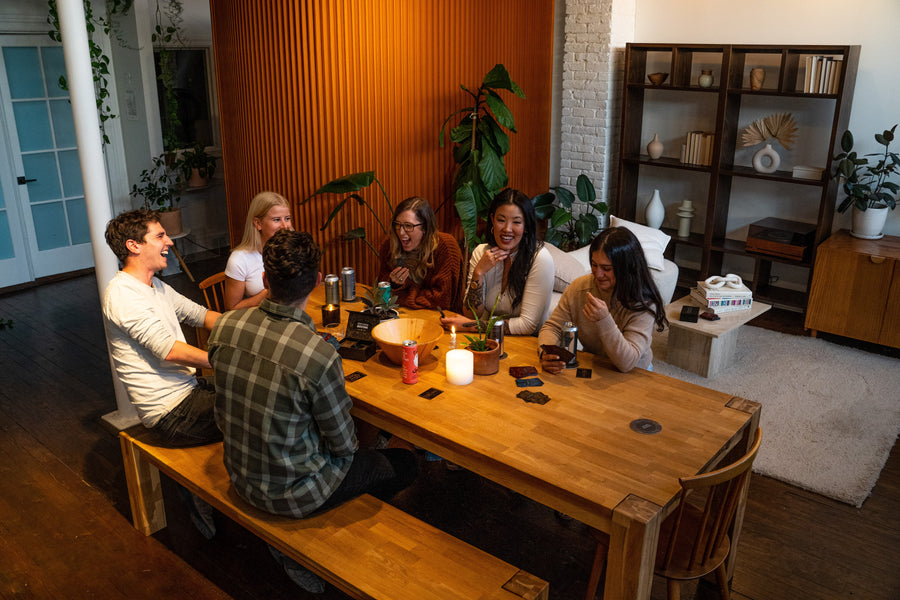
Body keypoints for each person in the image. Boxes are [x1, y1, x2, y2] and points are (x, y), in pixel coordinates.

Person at [208, 229, 418, 593]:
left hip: (240, 475)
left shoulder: (224, 327)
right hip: (293, 492)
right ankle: (318, 539)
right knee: (403, 464)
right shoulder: (317, 355)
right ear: (319, 281)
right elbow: (345, 448)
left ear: (264, 279)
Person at [102, 208, 222, 539]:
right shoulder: (123, 294)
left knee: (251, 393)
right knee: (260, 407)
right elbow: (169, 350)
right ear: (133, 245)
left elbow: (199, 314)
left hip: (188, 394)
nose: (169, 240)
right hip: (170, 414)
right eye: (160, 235)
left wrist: (247, 326)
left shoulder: (154, 286)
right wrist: (227, 359)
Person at [538, 227, 668, 374]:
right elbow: (553, 327)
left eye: (606, 268)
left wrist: (604, 320)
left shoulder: (643, 301)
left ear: (625, 268)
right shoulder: (579, 288)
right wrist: (547, 354)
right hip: (597, 363)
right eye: (594, 265)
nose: (598, 274)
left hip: (635, 370)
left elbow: (627, 363)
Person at [441, 188, 554, 335]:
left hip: (530, 343)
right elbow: (470, 314)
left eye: (516, 222)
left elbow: (527, 325)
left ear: (526, 226)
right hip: (491, 340)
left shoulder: (540, 258)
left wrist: (470, 326)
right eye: (501, 220)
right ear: (492, 220)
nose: (507, 229)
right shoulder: (481, 252)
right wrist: (479, 273)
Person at [377, 196, 463, 311]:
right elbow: (382, 293)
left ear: (425, 228)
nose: (401, 232)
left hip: (439, 318)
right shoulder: (389, 245)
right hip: (401, 315)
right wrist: (395, 284)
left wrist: (402, 294)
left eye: (408, 226)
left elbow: (441, 300)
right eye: (397, 224)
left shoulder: (446, 247)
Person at [223, 191, 293, 310]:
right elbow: (231, 309)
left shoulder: (293, 249)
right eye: (276, 220)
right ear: (258, 223)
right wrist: (268, 293)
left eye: (287, 218)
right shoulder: (239, 259)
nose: (284, 226)